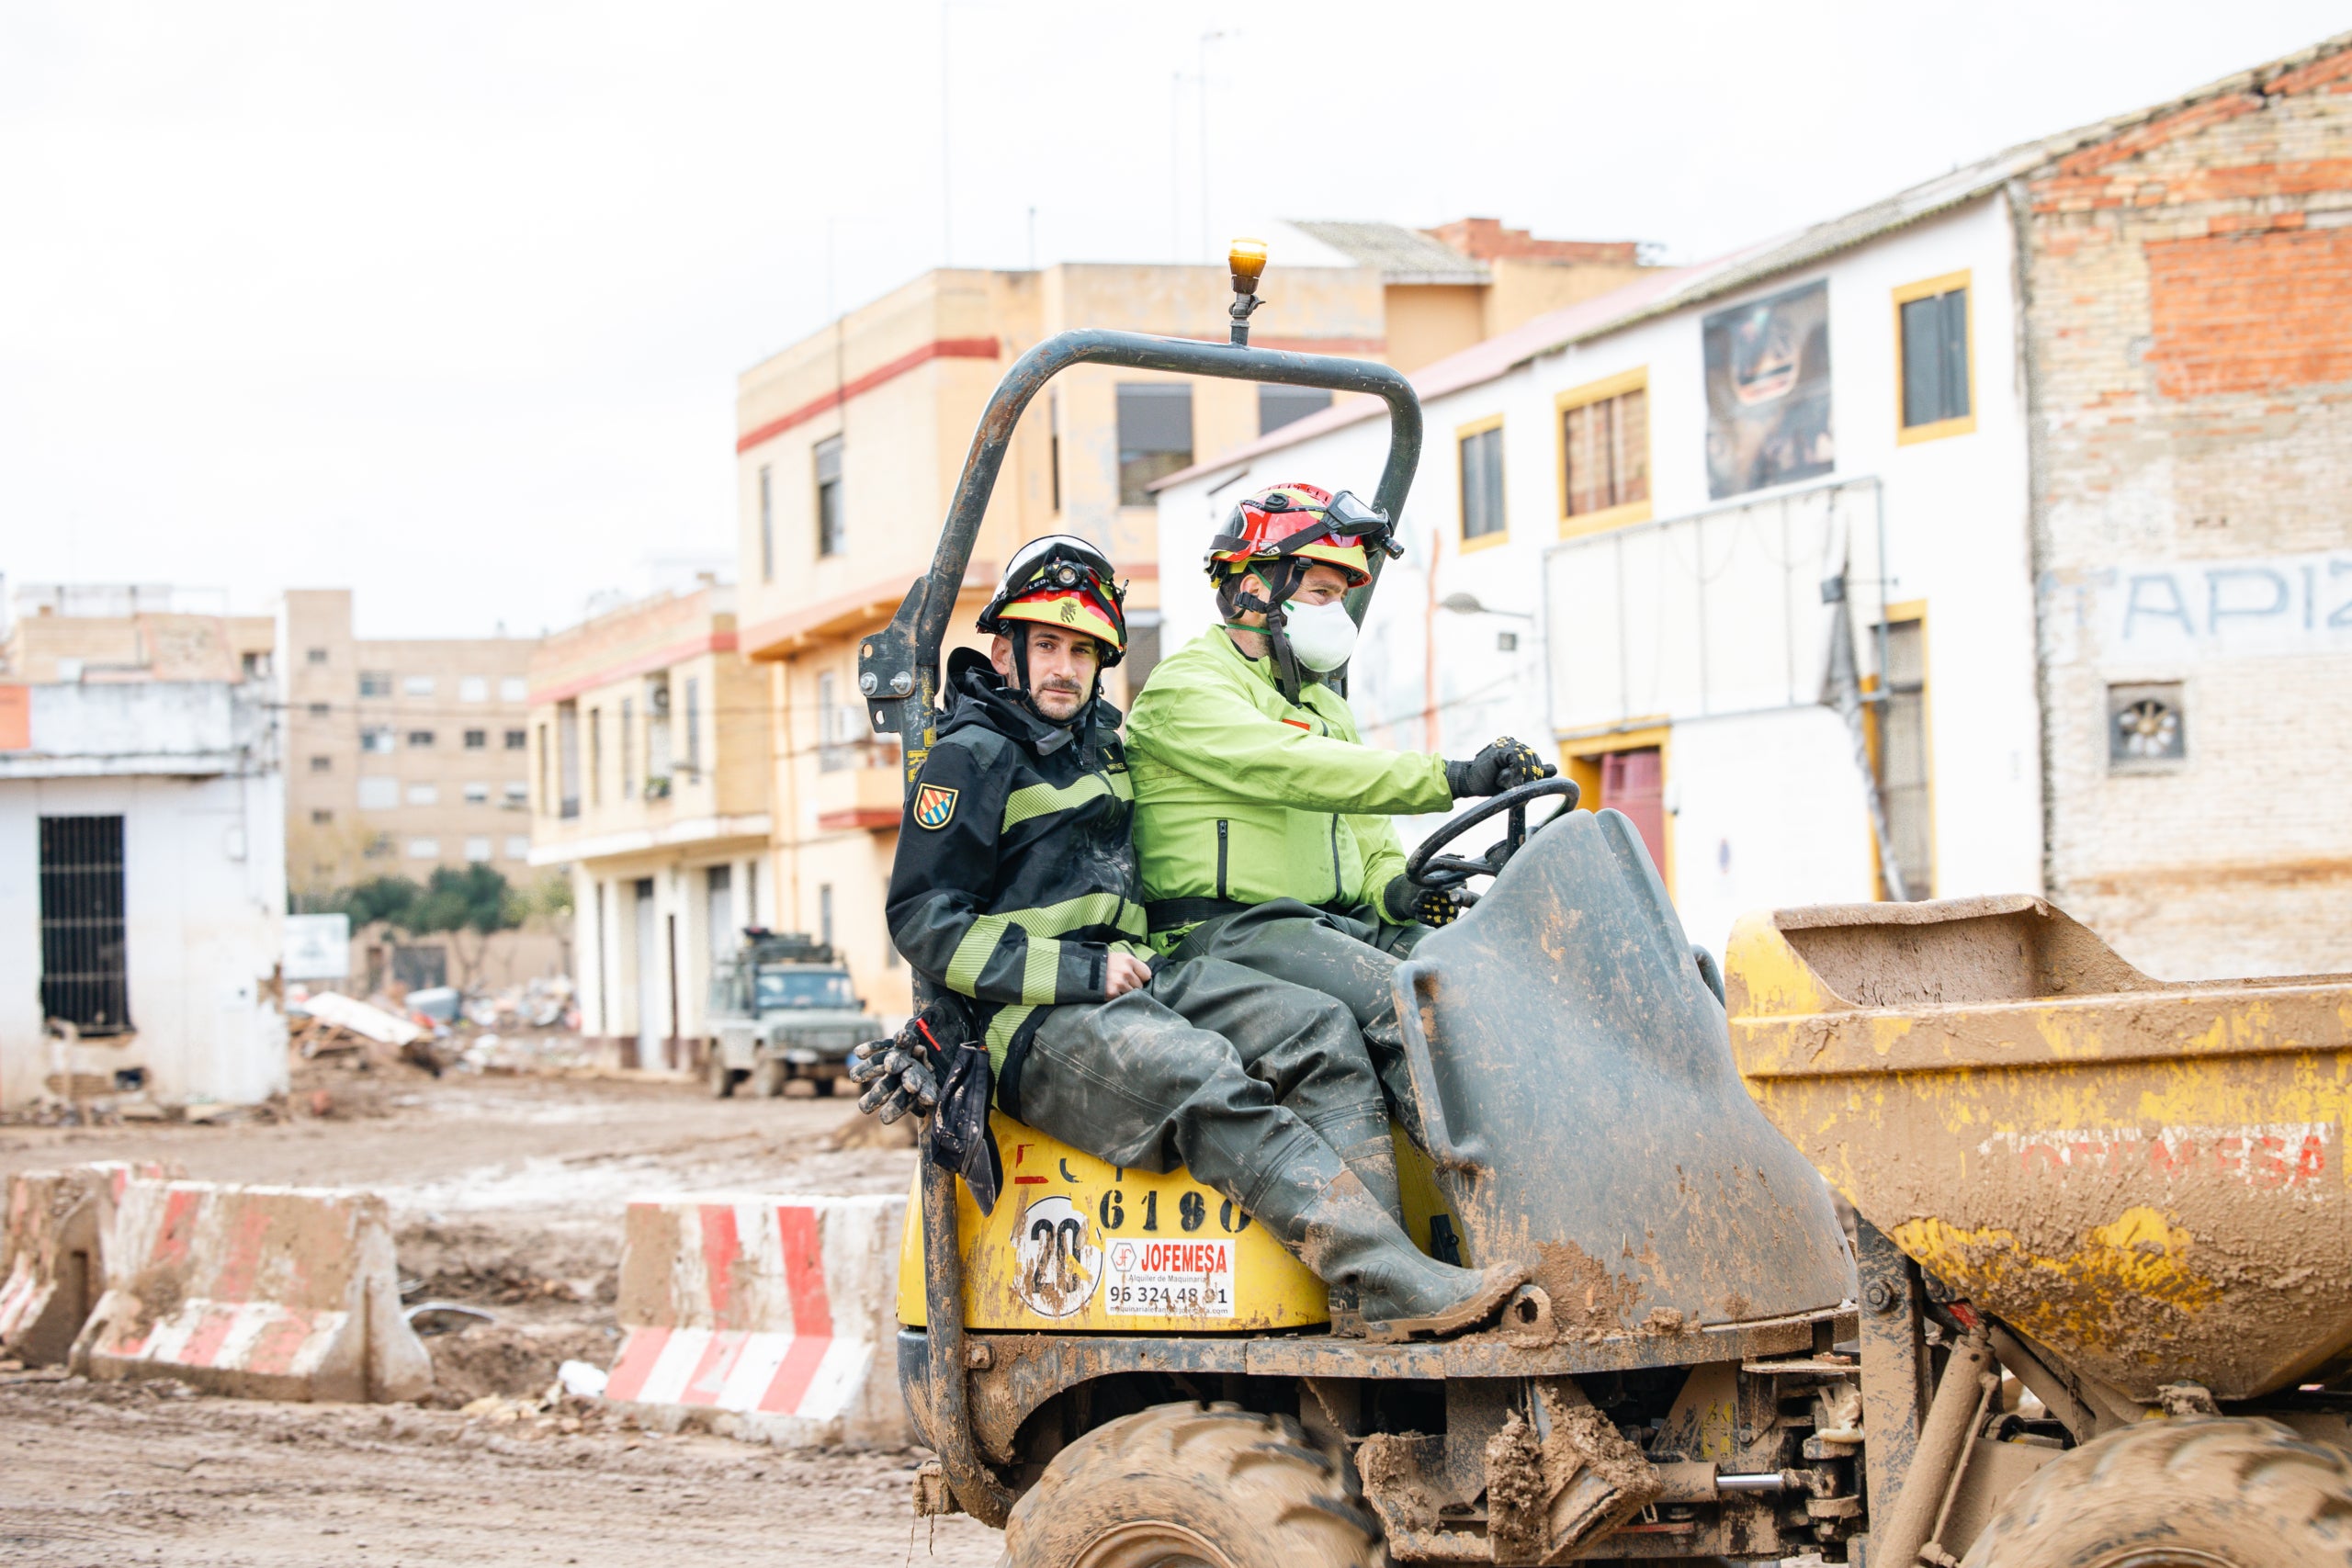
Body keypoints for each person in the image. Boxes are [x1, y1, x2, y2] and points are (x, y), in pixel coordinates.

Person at [864, 534, 1524, 1338]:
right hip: (1033, 1018)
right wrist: (1077, 972)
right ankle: (1388, 1273)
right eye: (1048, 646)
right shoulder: (969, 758)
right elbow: (923, 920)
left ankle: (1379, 1293)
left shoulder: (1103, 748)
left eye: (1083, 650)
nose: (1065, 667)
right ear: (1006, 651)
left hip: (1137, 977)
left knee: (1319, 1028)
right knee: (1200, 1074)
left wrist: (1390, 891)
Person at [1125, 482, 1555, 1142]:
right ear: (1255, 589)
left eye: (1340, 597)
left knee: (1488, 979)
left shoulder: (1324, 705)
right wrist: (1451, 776)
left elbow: (1367, 835)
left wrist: (1400, 891)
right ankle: (1474, 1180)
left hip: (1326, 925)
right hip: (1225, 934)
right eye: (1322, 594)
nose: (1337, 614)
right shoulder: (1187, 687)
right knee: (1411, 1002)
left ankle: (1545, 1147)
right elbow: (1293, 766)